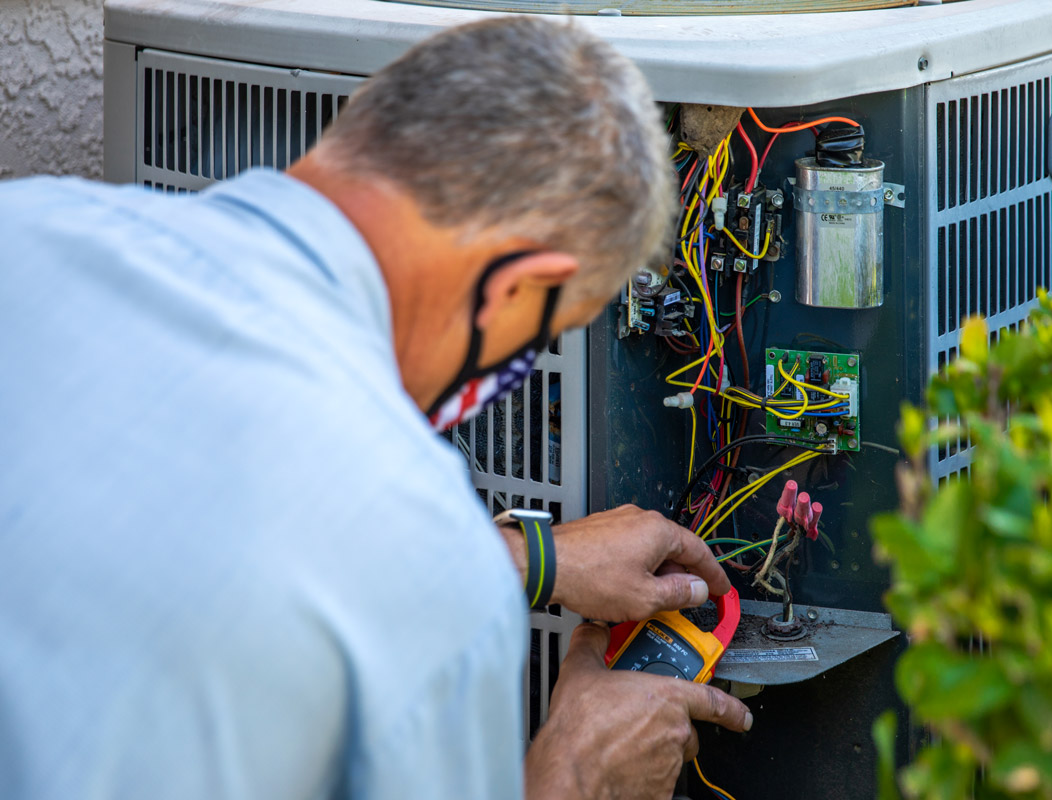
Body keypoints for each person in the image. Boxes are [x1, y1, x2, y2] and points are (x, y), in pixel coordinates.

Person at [0, 15, 751, 800]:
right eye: (545, 340)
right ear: (510, 290)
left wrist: (532, 558)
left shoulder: (27, 227)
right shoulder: (431, 584)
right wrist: (573, 775)